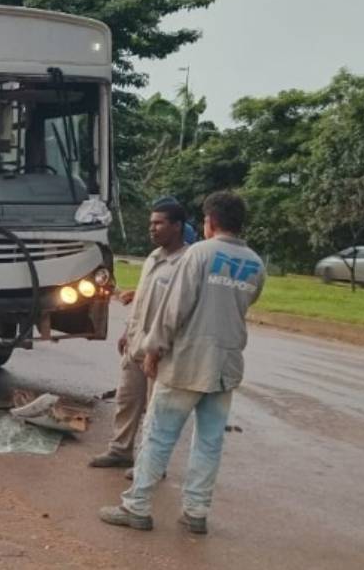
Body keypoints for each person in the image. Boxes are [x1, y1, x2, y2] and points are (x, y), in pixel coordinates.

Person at [99, 191, 265, 535]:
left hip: (187, 361)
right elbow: (243, 304)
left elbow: (174, 309)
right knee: (209, 441)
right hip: (226, 365)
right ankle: (196, 512)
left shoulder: (198, 254)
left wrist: (153, 349)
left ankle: (137, 506)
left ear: (210, 222)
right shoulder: (255, 263)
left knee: (158, 434)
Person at [89, 200, 188, 471]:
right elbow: (144, 300)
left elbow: (175, 313)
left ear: (177, 226)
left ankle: (151, 464)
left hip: (162, 350)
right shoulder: (154, 257)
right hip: (136, 343)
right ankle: (120, 451)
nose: (152, 229)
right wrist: (127, 331)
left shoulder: (186, 264)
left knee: (156, 410)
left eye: (159, 223)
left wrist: (157, 349)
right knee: (126, 400)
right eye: (151, 223)